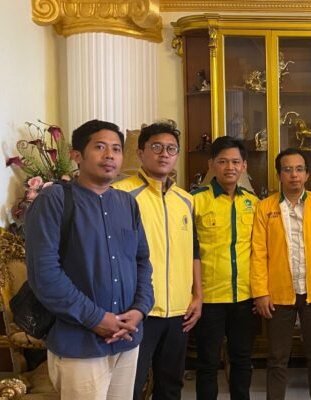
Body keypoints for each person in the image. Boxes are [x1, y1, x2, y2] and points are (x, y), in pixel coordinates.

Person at [25, 119, 154, 399]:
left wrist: (140, 309)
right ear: (77, 155)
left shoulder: (127, 203)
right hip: (79, 344)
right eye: (100, 147)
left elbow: (142, 261)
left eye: (116, 149)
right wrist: (96, 318)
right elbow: (44, 274)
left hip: (127, 339)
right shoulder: (54, 200)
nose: (110, 156)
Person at [113, 121, 202, 400]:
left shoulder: (186, 200)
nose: (164, 154)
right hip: (139, 310)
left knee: (171, 386)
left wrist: (197, 296)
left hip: (179, 311)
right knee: (131, 385)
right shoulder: (121, 195)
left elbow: (194, 250)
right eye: (156, 147)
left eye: (171, 149)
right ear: (141, 153)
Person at [251, 148, 311, 400]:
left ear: (307, 174)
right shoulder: (265, 207)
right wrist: (260, 292)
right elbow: (258, 253)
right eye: (288, 170)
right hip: (278, 295)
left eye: (299, 169)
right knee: (277, 358)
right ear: (279, 175)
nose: (294, 175)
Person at [192, 136, 259, 400]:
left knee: (242, 360)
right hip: (209, 297)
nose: (229, 167)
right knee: (207, 362)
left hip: (244, 296)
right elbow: (188, 251)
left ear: (244, 166)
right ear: (212, 164)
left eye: (235, 162)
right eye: (222, 162)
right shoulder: (195, 200)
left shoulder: (253, 203)